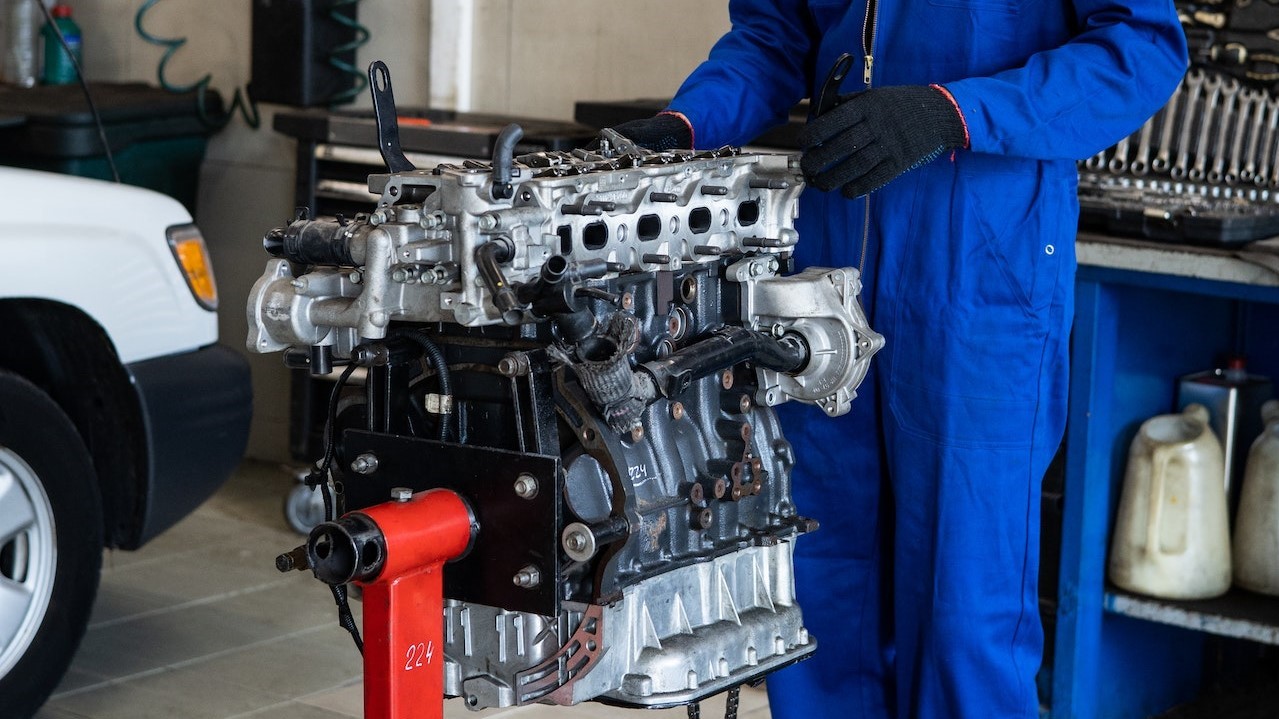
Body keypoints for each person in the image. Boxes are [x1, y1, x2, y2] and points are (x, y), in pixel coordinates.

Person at [612, 1, 1187, 717]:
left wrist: (952, 112)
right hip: (826, 267)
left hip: (981, 271)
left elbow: (1139, 51)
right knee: (819, 585)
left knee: (962, 603)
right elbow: (774, 34)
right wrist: (689, 124)